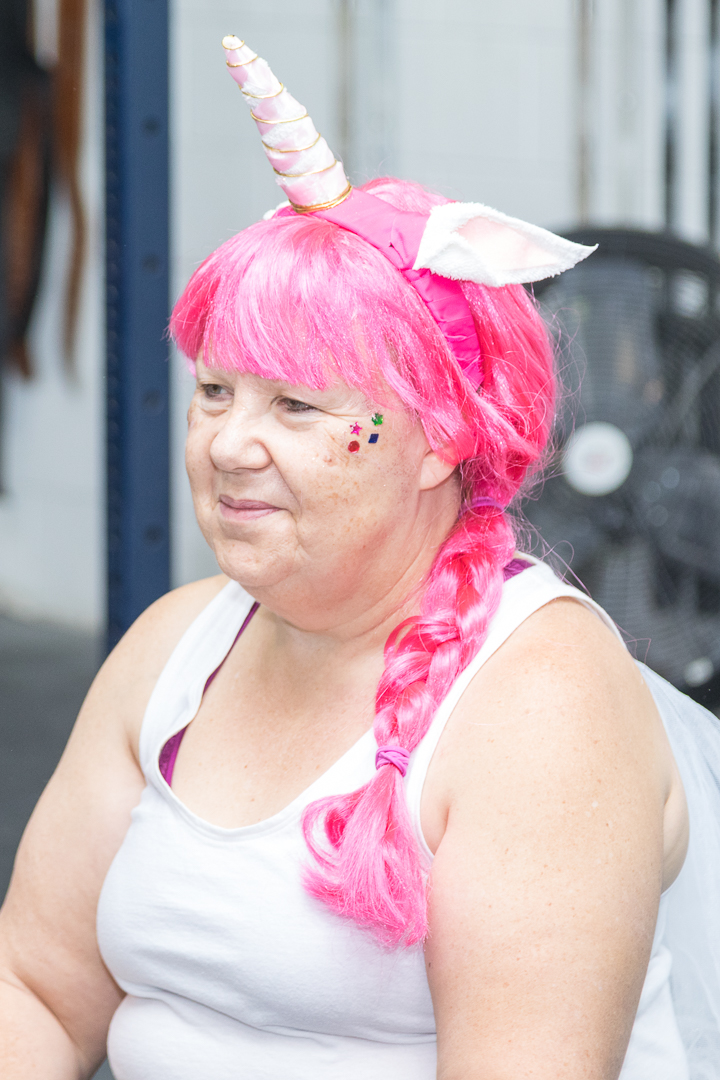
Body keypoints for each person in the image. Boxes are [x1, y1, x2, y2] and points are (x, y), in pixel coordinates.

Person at [2, 34, 720, 1080]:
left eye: (296, 405)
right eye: (216, 392)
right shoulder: (173, 649)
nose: (228, 444)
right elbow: (33, 986)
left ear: (441, 438)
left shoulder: (540, 707)